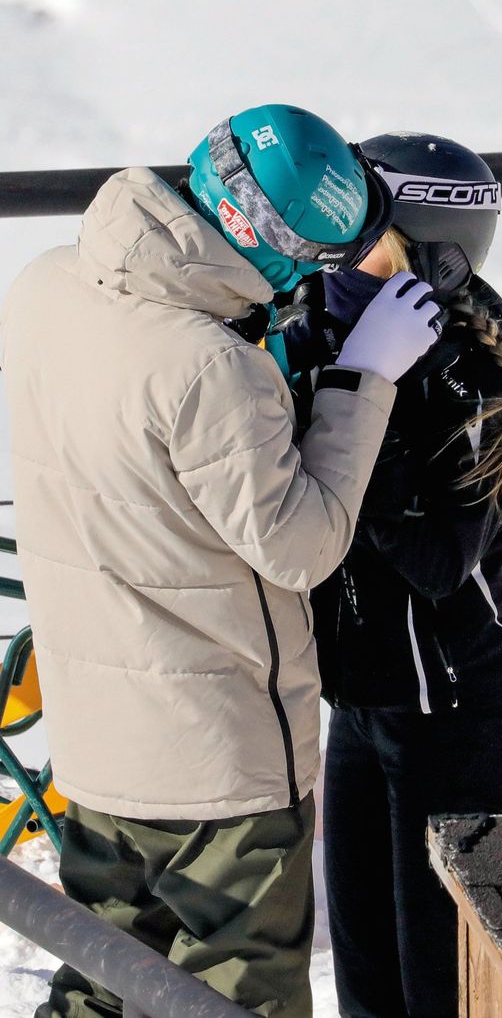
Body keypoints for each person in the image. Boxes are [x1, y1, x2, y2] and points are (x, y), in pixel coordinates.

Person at [0, 106, 445, 1018]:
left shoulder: (48, 282)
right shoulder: (208, 367)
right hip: (214, 766)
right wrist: (364, 380)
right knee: (239, 990)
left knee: (105, 971)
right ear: (278, 249)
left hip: (95, 739)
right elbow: (303, 546)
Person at [273, 131, 502, 1018]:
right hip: (367, 702)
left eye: (358, 227)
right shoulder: (320, 320)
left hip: (458, 714)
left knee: (438, 982)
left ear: (426, 245)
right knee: (365, 974)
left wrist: (368, 390)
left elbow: (438, 561)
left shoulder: (469, 369)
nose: (332, 245)